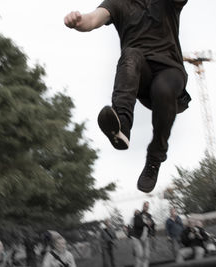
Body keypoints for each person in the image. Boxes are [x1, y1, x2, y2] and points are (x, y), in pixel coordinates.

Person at [64, 0, 191, 193]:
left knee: (162, 89)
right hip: (140, 75)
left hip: (170, 72)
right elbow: (93, 19)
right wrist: (79, 22)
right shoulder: (118, 3)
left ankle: (155, 157)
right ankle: (121, 125)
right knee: (131, 54)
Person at [132, 202, 155, 267]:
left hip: (146, 237)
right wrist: (146, 223)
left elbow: (152, 226)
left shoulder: (149, 216)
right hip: (138, 237)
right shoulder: (138, 215)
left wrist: (153, 234)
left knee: (147, 254)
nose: (146, 207)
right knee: (140, 254)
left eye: (147, 206)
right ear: (143, 206)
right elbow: (137, 224)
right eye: (145, 206)